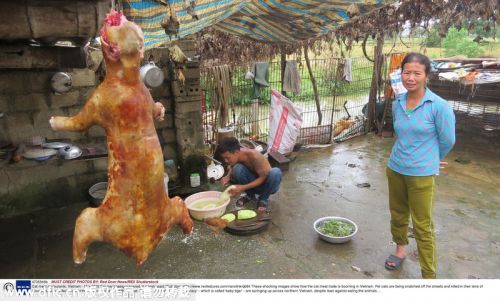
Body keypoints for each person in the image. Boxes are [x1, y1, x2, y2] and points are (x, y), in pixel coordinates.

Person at [385, 52, 455, 279]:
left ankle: (428, 274)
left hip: (422, 175)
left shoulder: (438, 106)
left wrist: (432, 158)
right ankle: (400, 250)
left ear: (426, 76)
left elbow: (448, 140)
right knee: (397, 214)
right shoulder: (397, 102)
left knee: (423, 225)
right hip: (395, 168)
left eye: (417, 73)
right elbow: (400, 135)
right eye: (407, 72)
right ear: (401, 73)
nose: (411, 77)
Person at [219, 137, 282, 212]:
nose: (226, 161)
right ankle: (250, 195)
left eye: (228, 158)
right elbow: (232, 165)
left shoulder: (254, 156)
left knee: (275, 172)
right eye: (224, 158)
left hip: (267, 186)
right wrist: (227, 176)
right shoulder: (237, 154)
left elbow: (263, 177)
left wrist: (243, 187)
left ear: (236, 152)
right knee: (237, 169)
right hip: (253, 184)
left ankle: (264, 199)